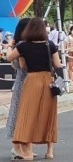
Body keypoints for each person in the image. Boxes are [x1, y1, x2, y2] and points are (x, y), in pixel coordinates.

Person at [7, 18, 64, 160]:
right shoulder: (49, 45)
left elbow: (11, 59)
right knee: (48, 114)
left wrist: (9, 46)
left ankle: (26, 153)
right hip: (48, 81)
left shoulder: (23, 46)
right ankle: (50, 152)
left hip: (32, 80)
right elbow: (57, 64)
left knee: (27, 114)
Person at [4, 18, 34, 160]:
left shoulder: (22, 44)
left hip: (23, 81)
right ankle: (17, 147)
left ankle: (24, 147)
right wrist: (10, 46)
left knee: (23, 114)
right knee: (19, 114)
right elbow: (19, 64)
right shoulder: (22, 45)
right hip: (24, 82)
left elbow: (13, 65)